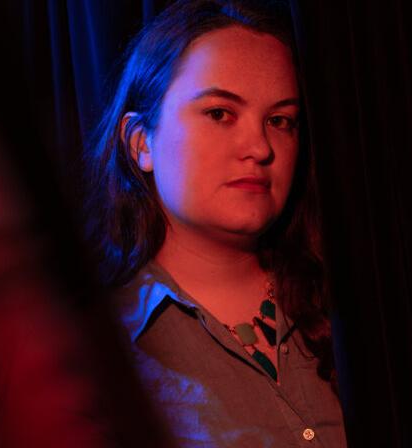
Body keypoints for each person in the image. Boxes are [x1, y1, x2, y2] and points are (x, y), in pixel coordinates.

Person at [84, 0, 347, 446]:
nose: (261, 147)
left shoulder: (355, 305)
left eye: (280, 120)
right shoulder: (89, 348)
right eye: (220, 113)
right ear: (140, 142)